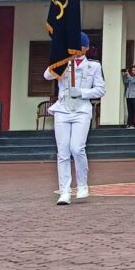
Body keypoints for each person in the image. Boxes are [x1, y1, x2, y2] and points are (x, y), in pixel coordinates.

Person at [44, 32, 106, 206]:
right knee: (63, 152)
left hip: (81, 109)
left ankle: (82, 184)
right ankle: (64, 191)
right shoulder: (63, 62)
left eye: (78, 46)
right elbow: (47, 76)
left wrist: (83, 93)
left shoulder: (93, 66)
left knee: (77, 148)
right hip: (63, 109)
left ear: (85, 48)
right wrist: (61, 59)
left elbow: (101, 90)